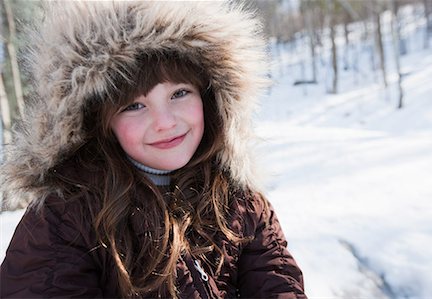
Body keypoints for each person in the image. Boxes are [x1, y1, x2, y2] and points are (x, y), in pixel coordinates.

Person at [0, 1, 307, 298]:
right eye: (134, 105)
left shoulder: (241, 203)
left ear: (210, 97)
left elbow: (276, 284)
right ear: (100, 121)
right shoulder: (66, 217)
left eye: (179, 93)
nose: (164, 122)